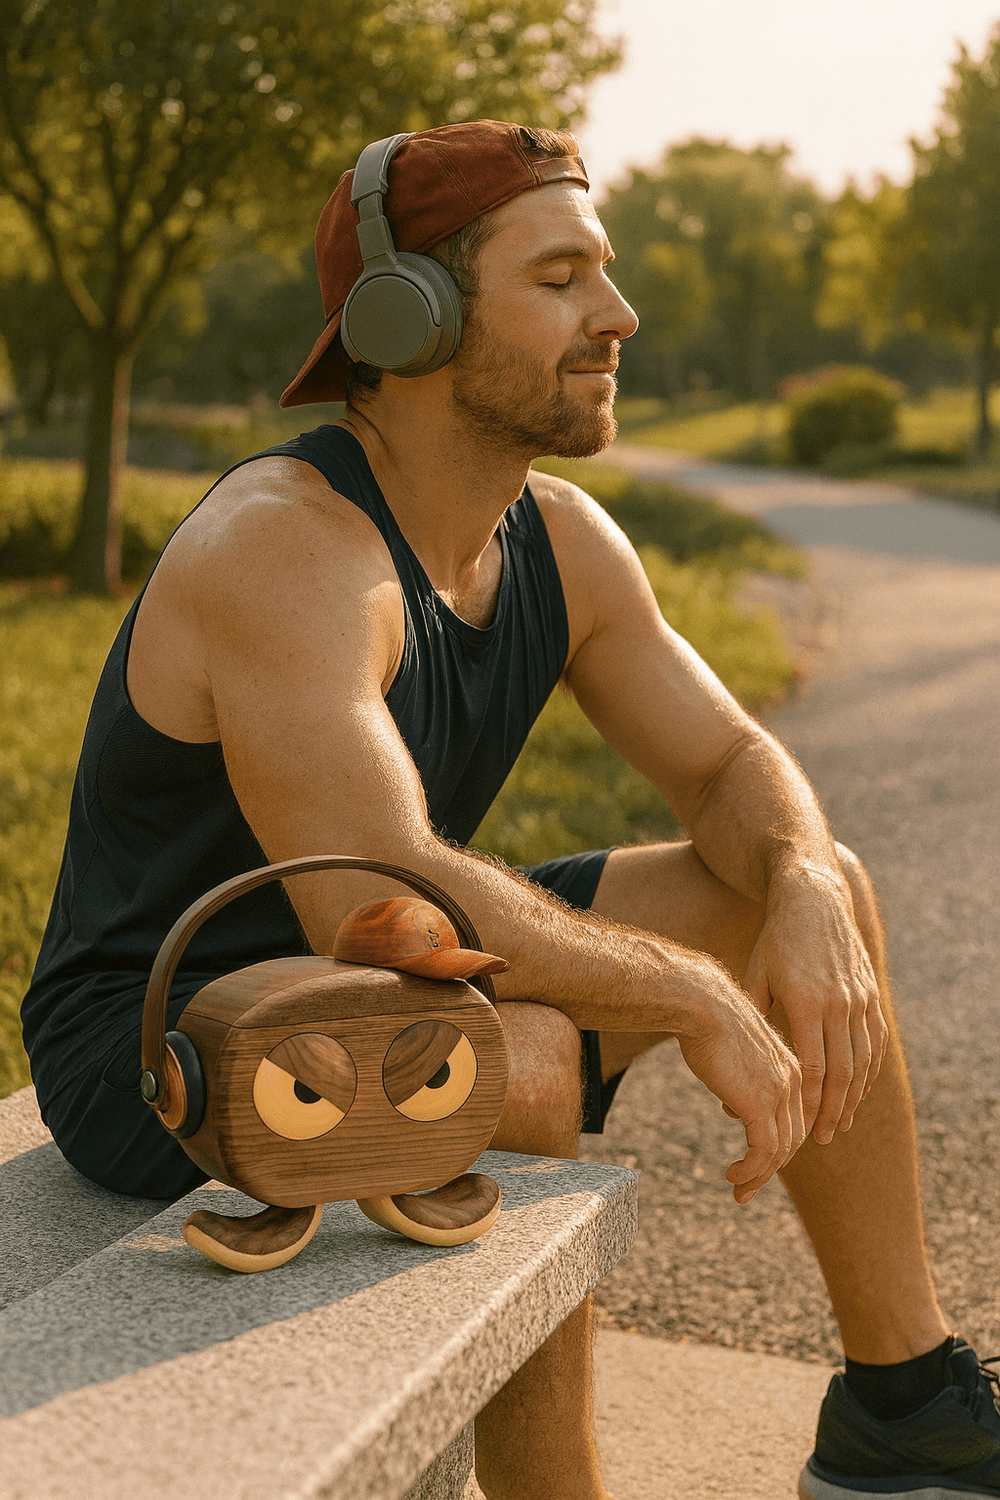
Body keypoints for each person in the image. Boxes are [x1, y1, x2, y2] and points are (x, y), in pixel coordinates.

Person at [22, 121, 1000, 1500]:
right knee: (519, 1056)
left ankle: (902, 1409)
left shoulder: (562, 540)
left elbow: (728, 771)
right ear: (406, 316)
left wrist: (804, 889)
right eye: (563, 278)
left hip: (386, 996)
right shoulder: (285, 552)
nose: (621, 313)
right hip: (165, 1037)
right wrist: (693, 996)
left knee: (806, 875)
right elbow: (387, 906)